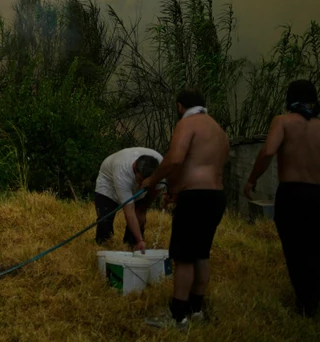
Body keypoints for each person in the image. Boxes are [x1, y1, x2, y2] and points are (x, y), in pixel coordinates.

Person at [140, 88, 229, 329]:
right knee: (201, 253)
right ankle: (196, 309)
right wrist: (175, 190)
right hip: (215, 197)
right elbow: (199, 165)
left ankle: (177, 315)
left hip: (195, 198)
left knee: (184, 257)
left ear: (180, 106)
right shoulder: (219, 131)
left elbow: (175, 159)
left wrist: (152, 180)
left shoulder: (187, 124)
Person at [245, 79, 320, 318]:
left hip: (293, 193)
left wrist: (252, 179)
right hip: (317, 192)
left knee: (295, 248)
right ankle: (312, 297)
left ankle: (306, 302)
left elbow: (268, 150)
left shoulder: (283, 121)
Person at [94, 148, 165, 254]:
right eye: (141, 179)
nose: (142, 183)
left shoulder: (161, 168)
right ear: (135, 168)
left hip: (137, 185)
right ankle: (104, 249)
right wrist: (140, 240)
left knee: (138, 216)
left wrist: (143, 209)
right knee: (105, 220)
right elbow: (129, 212)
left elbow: (156, 189)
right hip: (109, 185)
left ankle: (132, 247)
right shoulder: (122, 171)